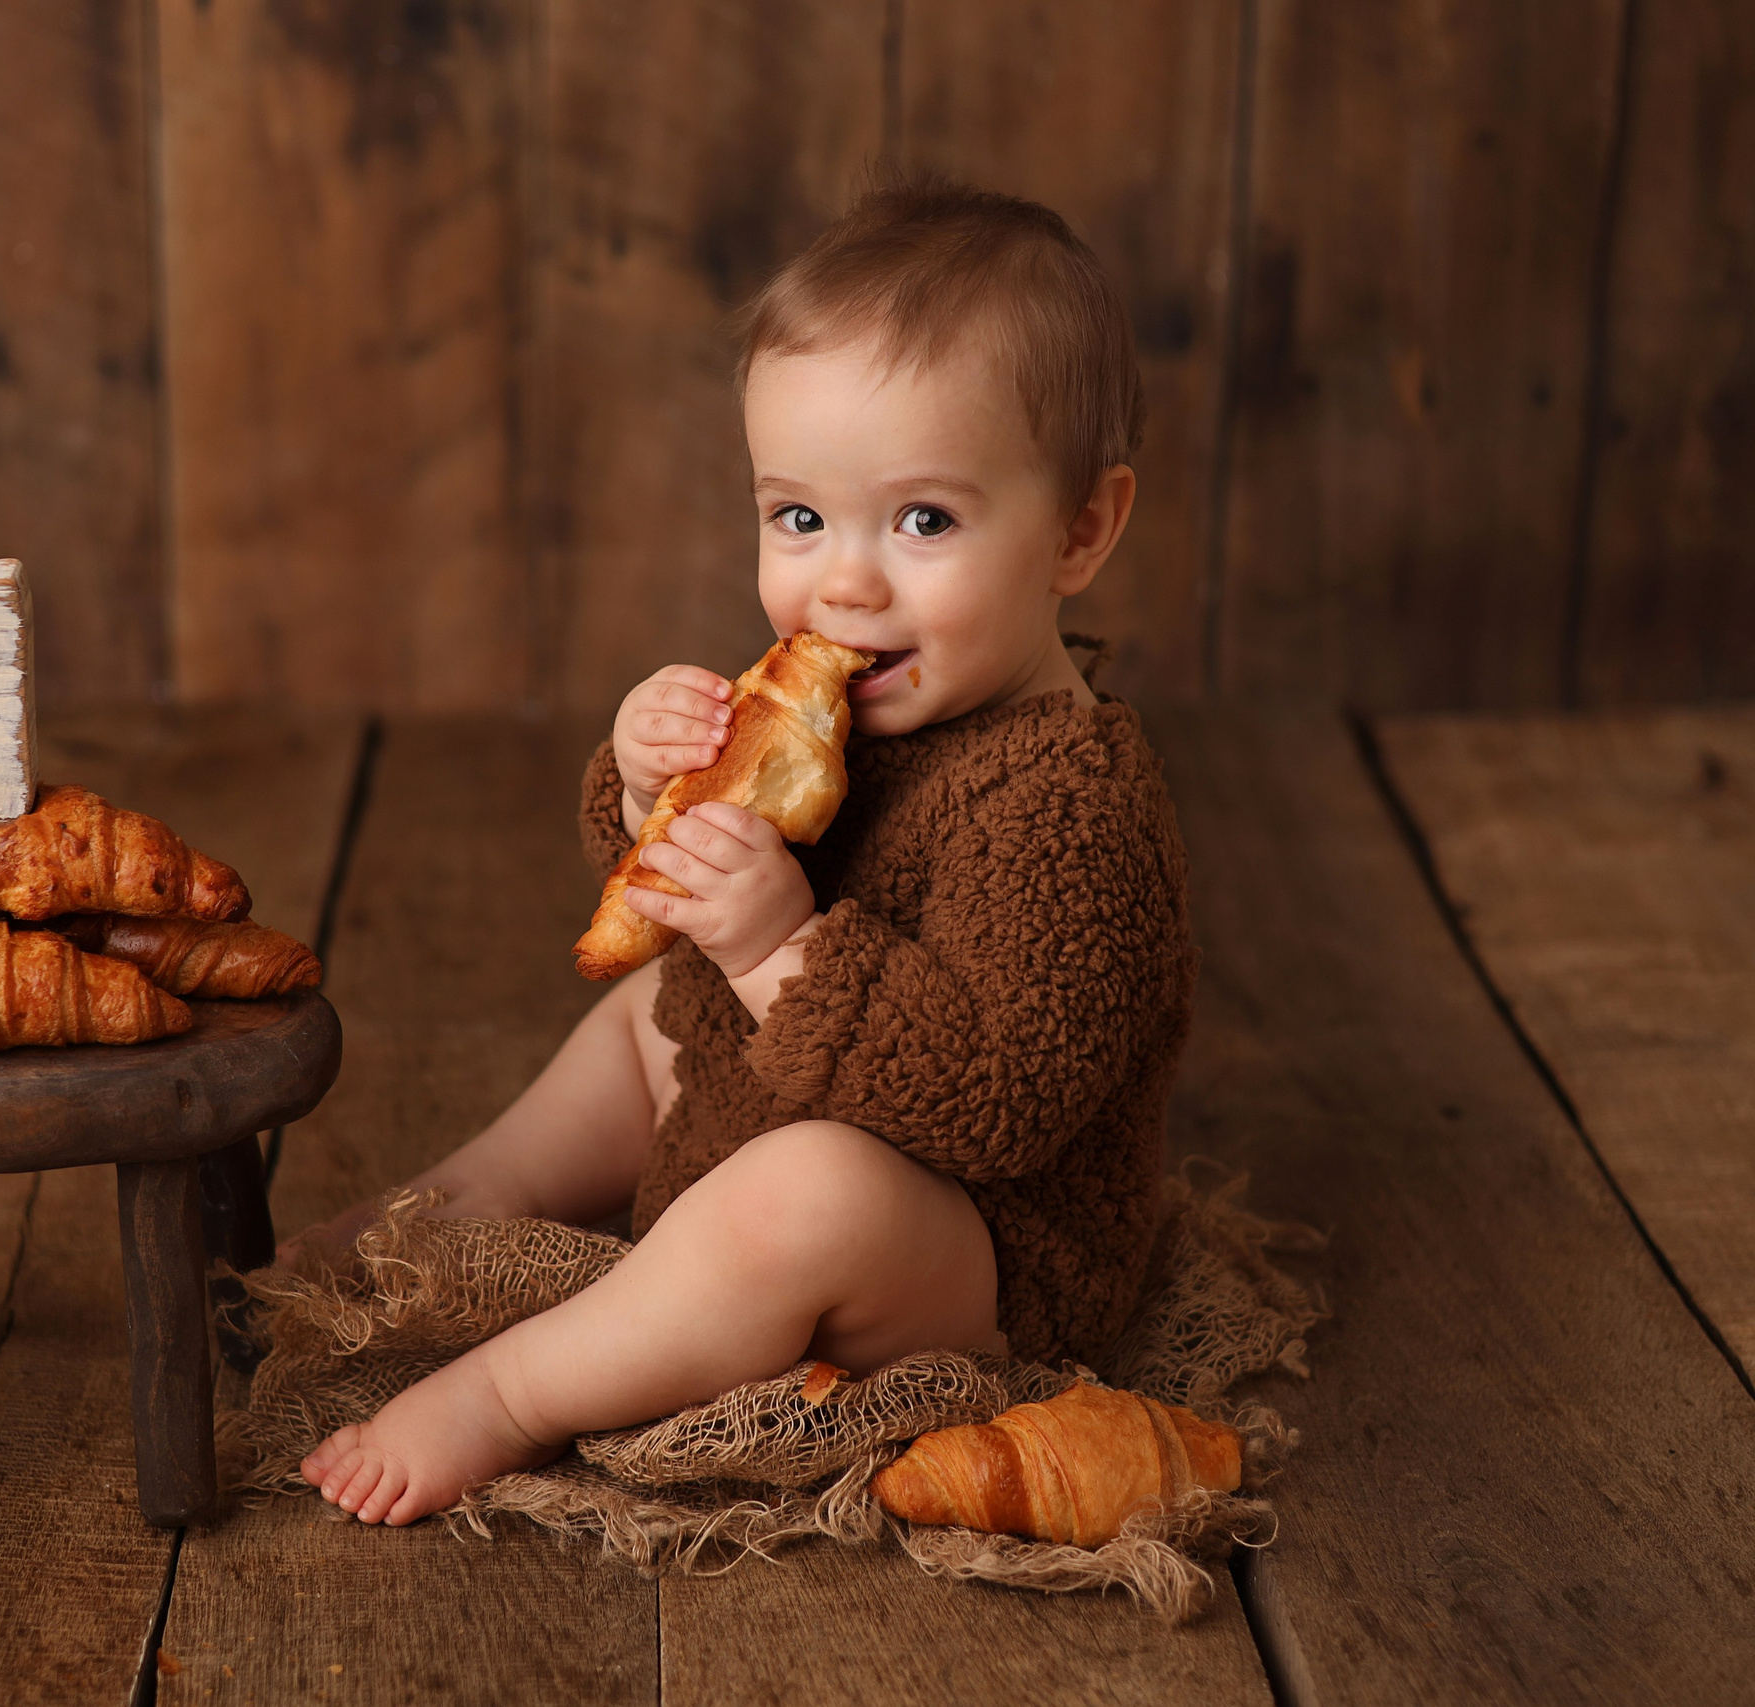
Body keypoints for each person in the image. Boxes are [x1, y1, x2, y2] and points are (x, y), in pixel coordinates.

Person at [291, 179, 1197, 1527]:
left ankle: (509, 1395)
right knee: (649, 1016)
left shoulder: (1072, 808)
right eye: (799, 518)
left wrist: (775, 944)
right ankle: (450, 1206)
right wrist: (648, 778)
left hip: (978, 1245)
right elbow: (669, 903)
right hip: (782, 1090)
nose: (846, 582)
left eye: (925, 521)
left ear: (1080, 530)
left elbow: (993, 1102)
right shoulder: (873, 693)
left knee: (811, 1194)